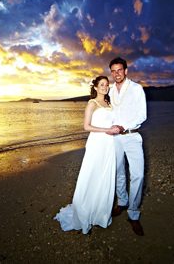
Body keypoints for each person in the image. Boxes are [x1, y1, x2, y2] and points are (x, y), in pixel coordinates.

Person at [54, 76, 121, 234]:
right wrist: (107, 130)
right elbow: (86, 126)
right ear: (96, 87)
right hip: (97, 143)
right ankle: (85, 211)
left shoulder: (110, 103)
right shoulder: (92, 103)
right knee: (92, 175)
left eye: (106, 84)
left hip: (109, 145)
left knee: (105, 176)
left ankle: (100, 213)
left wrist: (116, 127)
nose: (105, 87)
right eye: (101, 85)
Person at [109, 57, 147, 236]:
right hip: (114, 138)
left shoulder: (136, 89)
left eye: (119, 70)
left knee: (138, 175)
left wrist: (125, 126)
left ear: (126, 71)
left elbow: (142, 115)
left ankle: (133, 213)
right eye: (113, 71)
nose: (116, 73)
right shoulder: (109, 90)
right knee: (118, 172)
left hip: (132, 136)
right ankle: (122, 202)